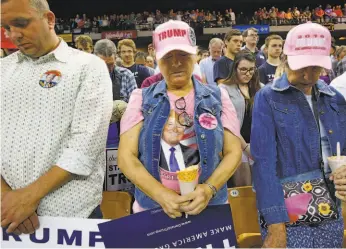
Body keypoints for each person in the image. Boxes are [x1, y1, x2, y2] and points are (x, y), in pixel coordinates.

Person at [1, 0, 113, 236]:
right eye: (6, 27)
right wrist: (7, 200)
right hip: (7, 216)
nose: (14, 35)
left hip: (71, 219)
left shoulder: (88, 67)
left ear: (50, 19)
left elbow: (85, 147)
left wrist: (27, 198)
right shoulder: (2, 70)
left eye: (21, 24)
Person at [118, 20, 242, 217]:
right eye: (167, 56)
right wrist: (161, 195)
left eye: (183, 55)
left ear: (195, 55)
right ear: (157, 59)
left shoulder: (218, 96)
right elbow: (126, 157)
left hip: (210, 209)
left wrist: (208, 189)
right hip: (153, 210)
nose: (176, 62)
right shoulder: (140, 98)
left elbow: (234, 151)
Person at [251, 22, 346, 248]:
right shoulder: (268, 98)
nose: (307, 74)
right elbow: (263, 164)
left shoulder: (334, 98)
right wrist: (275, 225)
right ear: (285, 57)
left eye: (315, 67)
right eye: (301, 66)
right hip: (285, 210)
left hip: (330, 207)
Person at [219, 51, 261, 187]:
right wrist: (246, 147)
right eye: (243, 69)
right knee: (243, 191)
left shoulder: (260, 88)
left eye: (251, 70)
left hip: (258, 145)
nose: (248, 73)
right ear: (235, 68)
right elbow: (230, 123)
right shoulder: (223, 89)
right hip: (237, 146)